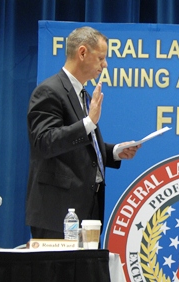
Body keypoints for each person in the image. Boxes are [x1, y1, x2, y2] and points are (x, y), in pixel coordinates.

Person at [26, 26, 141, 239]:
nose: (104, 65)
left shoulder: (82, 93)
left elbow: (81, 147)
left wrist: (115, 151)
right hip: (56, 212)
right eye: (101, 58)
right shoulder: (49, 91)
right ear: (82, 53)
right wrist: (88, 122)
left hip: (86, 208)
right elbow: (44, 142)